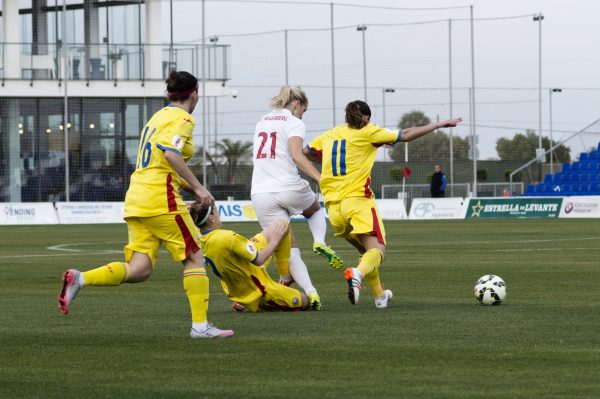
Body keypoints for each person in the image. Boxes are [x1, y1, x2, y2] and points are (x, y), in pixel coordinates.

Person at [57, 71, 233, 339]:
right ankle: (200, 326)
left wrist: (186, 188)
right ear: (195, 93)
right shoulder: (183, 118)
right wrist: (199, 188)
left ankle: (80, 278)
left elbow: (157, 163)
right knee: (195, 255)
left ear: (168, 94)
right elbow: (171, 153)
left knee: (139, 269)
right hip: (159, 197)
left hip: (137, 197)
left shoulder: (157, 117)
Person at [304, 100, 462, 308]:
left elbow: (307, 153)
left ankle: (380, 296)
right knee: (378, 251)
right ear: (366, 118)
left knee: (366, 252)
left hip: (334, 209)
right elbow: (405, 135)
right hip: (357, 202)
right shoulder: (369, 131)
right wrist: (438, 125)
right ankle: (357, 274)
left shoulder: (330, 134)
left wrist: (326, 165)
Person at [250, 85, 343, 310]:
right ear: (296, 104)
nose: (302, 114)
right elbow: (296, 156)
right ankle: (320, 241)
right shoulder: (294, 122)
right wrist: (320, 178)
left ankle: (311, 292)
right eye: (304, 110)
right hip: (288, 186)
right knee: (314, 209)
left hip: (260, 192)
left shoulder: (262, 122)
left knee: (288, 247)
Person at [190, 202, 312, 312]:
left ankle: (285, 277)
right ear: (211, 218)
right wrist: (275, 241)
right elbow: (259, 260)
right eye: (216, 211)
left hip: (239, 280)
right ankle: (256, 303)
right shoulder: (227, 237)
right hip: (258, 290)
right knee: (306, 302)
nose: (219, 214)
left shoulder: (199, 238)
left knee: (281, 225)